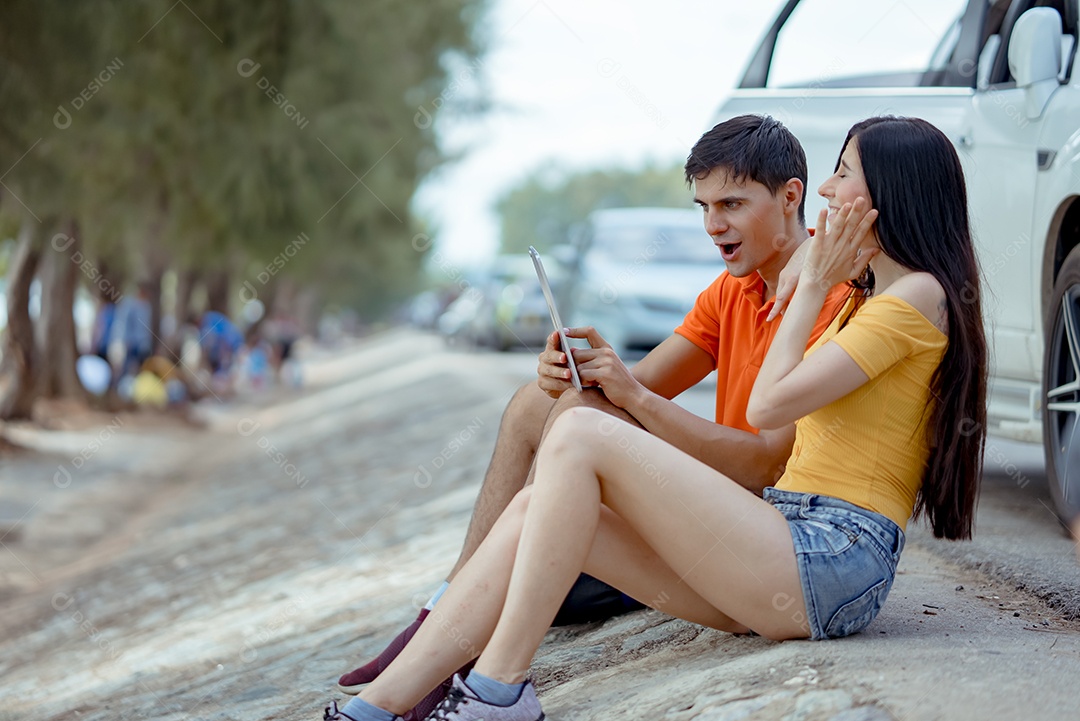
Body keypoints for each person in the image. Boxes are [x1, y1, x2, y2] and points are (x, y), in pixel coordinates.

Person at [322, 115, 988, 721]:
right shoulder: (866, 298)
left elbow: (767, 409)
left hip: (831, 557)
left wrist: (809, 281)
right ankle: (376, 709)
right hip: (778, 546)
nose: (826, 193)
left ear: (888, 194)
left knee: (581, 432)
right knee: (534, 504)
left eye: (842, 174)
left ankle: (498, 690)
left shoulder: (917, 294)